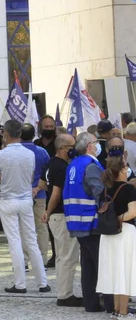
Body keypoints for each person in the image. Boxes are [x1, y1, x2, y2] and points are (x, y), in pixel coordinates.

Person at [0, 120, 49, 294]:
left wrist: (2, 180)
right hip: (25, 199)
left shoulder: (0, 155)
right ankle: (42, 282)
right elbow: (30, 177)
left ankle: (20, 283)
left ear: (6, 135)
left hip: (8, 199)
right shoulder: (29, 154)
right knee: (31, 240)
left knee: (14, 241)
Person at [63, 132, 114, 313]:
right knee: (103, 264)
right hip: (91, 222)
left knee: (88, 266)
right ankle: (111, 304)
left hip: (77, 223)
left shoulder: (73, 164)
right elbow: (99, 191)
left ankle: (91, 303)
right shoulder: (91, 165)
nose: (98, 145)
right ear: (90, 146)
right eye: (95, 142)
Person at [39, 134, 83, 307]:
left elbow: (43, 184)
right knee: (68, 256)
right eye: (72, 146)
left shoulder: (50, 163)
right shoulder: (62, 167)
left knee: (61, 256)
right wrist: (48, 211)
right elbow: (56, 193)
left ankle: (63, 292)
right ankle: (65, 295)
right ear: (63, 148)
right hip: (61, 215)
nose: (74, 149)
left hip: (55, 217)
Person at [96, 154, 136, 318]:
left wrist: (111, 221)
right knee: (124, 272)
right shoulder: (128, 189)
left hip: (107, 234)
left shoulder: (105, 189)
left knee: (113, 271)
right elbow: (132, 212)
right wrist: (118, 220)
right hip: (124, 232)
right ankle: (124, 311)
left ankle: (116, 310)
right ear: (122, 170)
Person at [20, 123, 50, 267]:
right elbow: (47, 173)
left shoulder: (14, 152)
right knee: (41, 227)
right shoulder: (42, 152)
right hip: (40, 194)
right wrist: (38, 187)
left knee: (22, 228)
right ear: (34, 135)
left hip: (20, 195)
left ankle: (23, 261)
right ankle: (42, 259)